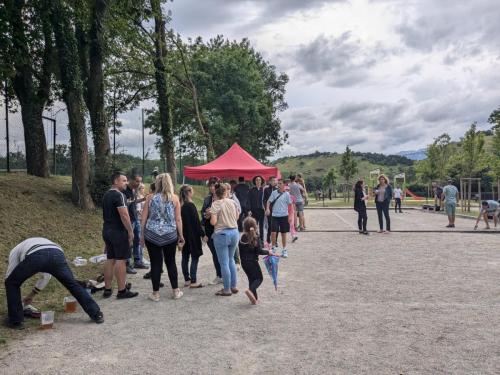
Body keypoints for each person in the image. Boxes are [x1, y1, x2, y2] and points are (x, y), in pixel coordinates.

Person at [4, 238, 104, 329]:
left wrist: (15, 297)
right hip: (57, 253)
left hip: (36, 255)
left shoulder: (14, 251)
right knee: (73, 284)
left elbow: (10, 278)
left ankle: (15, 321)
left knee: (11, 283)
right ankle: (96, 314)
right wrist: (31, 295)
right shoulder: (34, 242)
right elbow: (47, 276)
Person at [140, 173, 185, 302]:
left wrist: (141, 234)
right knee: (171, 262)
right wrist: (181, 235)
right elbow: (178, 219)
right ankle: (176, 291)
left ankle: (155, 294)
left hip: (152, 234)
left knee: (155, 264)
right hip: (170, 235)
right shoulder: (175, 198)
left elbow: (143, 217)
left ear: (157, 183)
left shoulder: (150, 198)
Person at [102, 171, 139, 299]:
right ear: (116, 181)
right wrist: (130, 231)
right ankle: (122, 291)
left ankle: (107, 289)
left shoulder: (106, 194)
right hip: (118, 231)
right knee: (120, 260)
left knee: (110, 258)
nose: (126, 183)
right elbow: (124, 214)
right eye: (123, 180)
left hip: (107, 230)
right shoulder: (120, 195)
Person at [210, 183, 240, 296]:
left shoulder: (215, 204)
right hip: (234, 232)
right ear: (225, 193)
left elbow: (213, 222)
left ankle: (226, 289)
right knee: (231, 259)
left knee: (224, 263)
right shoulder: (232, 202)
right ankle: (233, 286)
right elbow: (237, 217)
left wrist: (214, 216)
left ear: (216, 194)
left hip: (222, 234)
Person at [239, 217, 273, 304]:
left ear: (244, 227)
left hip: (244, 263)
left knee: (251, 279)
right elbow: (259, 251)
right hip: (252, 263)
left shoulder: (242, 238)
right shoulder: (255, 238)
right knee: (259, 278)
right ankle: (250, 290)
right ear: (255, 226)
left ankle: (254, 299)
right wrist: (268, 252)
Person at [179, 185, 205, 288]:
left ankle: (187, 279)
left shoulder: (181, 206)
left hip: (184, 235)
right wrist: (203, 234)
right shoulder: (191, 205)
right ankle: (193, 281)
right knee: (195, 257)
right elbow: (196, 222)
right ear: (189, 193)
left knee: (185, 257)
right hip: (193, 236)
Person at [123, 171, 148, 273]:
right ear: (131, 180)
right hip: (129, 220)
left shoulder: (134, 190)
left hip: (136, 219)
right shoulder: (124, 191)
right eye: (137, 181)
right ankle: (127, 264)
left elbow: (133, 202)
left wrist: (143, 200)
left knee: (137, 240)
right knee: (129, 242)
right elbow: (124, 206)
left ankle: (137, 261)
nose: (138, 183)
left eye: (140, 181)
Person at [201, 177, 223, 285]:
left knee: (223, 254)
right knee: (215, 254)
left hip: (220, 229)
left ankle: (225, 275)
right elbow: (203, 215)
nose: (211, 187)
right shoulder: (207, 199)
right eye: (210, 185)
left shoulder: (222, 199)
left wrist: (213, 212)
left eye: (213, 185)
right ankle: (219, 275)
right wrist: (206, 214)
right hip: (210, 231)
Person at [265, 179, 293, 257]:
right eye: (278, 184)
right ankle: (273, 248)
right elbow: (268, 201)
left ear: (284, 185)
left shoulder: (287, 194)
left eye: (280, 184)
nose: (278, 185)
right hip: (275, 216)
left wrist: (290, 216)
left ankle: (284, 250)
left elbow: (290, 205)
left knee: (283, 233)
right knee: (273, 232)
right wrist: (267, 208)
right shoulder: (274, 193)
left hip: (284, 216)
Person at [248, 175, 266, 243]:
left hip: (261, 210)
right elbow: (248, 200)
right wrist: (249, 209)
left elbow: (266, 200)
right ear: (254, 181)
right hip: (253, 210)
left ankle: (261, 241)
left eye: (259, 180)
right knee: (253, 226)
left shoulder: (264, 190)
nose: (258, 181)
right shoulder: (251, 190)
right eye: (257, 180)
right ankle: (253, 239)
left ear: (261, 181)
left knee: (261, 226)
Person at [262, 176, 277, 246]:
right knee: (270, 225)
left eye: (275, 180)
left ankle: (275, 241)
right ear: (270, 182)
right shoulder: (266, 190)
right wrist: (266, 208)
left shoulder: (278, 190)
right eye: (273, 180)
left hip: (277, 210)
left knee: (276, 226)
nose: (274, 182)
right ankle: (268, 238)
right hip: (269, 210)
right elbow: (264, 200)